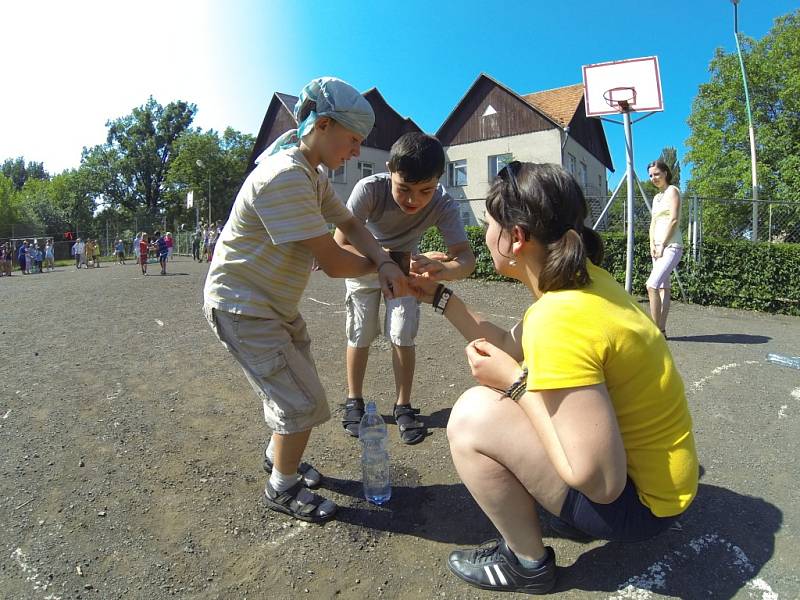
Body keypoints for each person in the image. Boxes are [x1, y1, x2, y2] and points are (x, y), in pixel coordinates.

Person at [408, 162, 698, 594]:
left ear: (516, 238)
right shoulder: (585, 283)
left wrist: (516, 385)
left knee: (472, 416)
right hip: (665, 488)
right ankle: (560, 519)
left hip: (639, 507)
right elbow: (511, 344)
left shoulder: (559, 317)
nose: (484, 235)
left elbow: (600, 483)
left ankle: (527, 563)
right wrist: (440, 297)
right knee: (509, 399)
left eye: (488, 224)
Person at [203, 76, 409, 524]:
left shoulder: (309, 172)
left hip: (272, 306)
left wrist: (384, 260)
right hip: (244, 307)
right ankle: (282, 486)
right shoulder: (286, 176)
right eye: (353, 140)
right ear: (324, 125)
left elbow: (351, 224)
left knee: (296, 391)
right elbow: (334, 262)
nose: (356, 151)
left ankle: (280, 457)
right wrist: (392, 262)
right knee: (302, 402)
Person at [334, 132, 475, 444]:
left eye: (425, 190)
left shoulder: (443, 202)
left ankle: (403, 405)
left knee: (401, 333)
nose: (414, 200)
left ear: (439, 180)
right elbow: (342, 244)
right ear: (389, 169)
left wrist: (446, 269)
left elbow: (466, 259)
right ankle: (353, 399)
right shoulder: (369, 188)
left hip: (403, 270)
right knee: (360, 332)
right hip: (364, 263)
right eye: (404, 189)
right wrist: (393, 260)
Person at [647, 160, 682, 338]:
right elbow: (653, 223)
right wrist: (652, 244)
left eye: (657, 174)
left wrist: (662, 245)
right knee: (662, 288)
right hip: (658, 248)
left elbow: (674, 219)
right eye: (651, 175)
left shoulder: (672, 191)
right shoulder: (656, 198)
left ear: (665, 174)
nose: (654, 178)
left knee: (651, 285)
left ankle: (655, 331)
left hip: (671, 246)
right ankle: (662, 330)